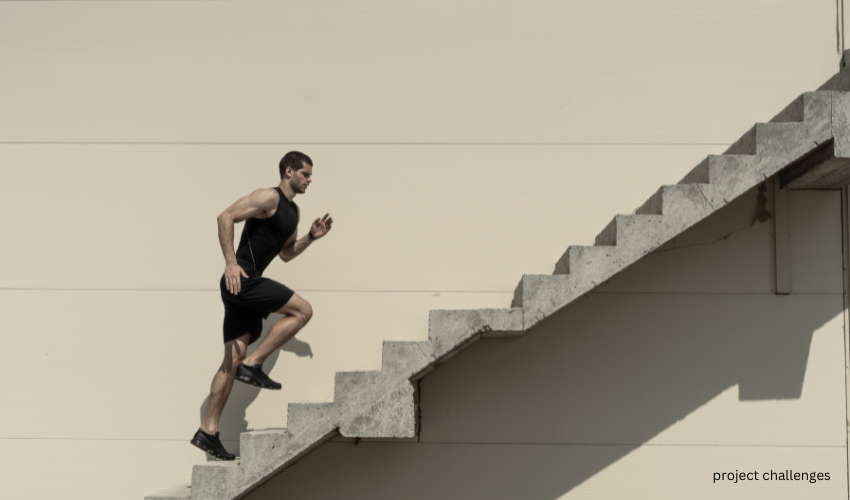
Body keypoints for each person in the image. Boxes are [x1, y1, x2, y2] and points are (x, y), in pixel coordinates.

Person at [190, 151, 333, 460]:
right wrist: (230, 262)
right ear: (289, 170)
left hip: (242, 286)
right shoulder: (269, 197)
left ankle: (208, 430)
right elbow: (224, 217)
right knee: (303, 310)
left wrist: (310, 236)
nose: (310, 180)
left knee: (232, 358)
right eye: (306, 174)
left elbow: (286, 253)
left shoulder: (293, 212)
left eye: (311, 176)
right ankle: (254, 364)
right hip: (242, 278)